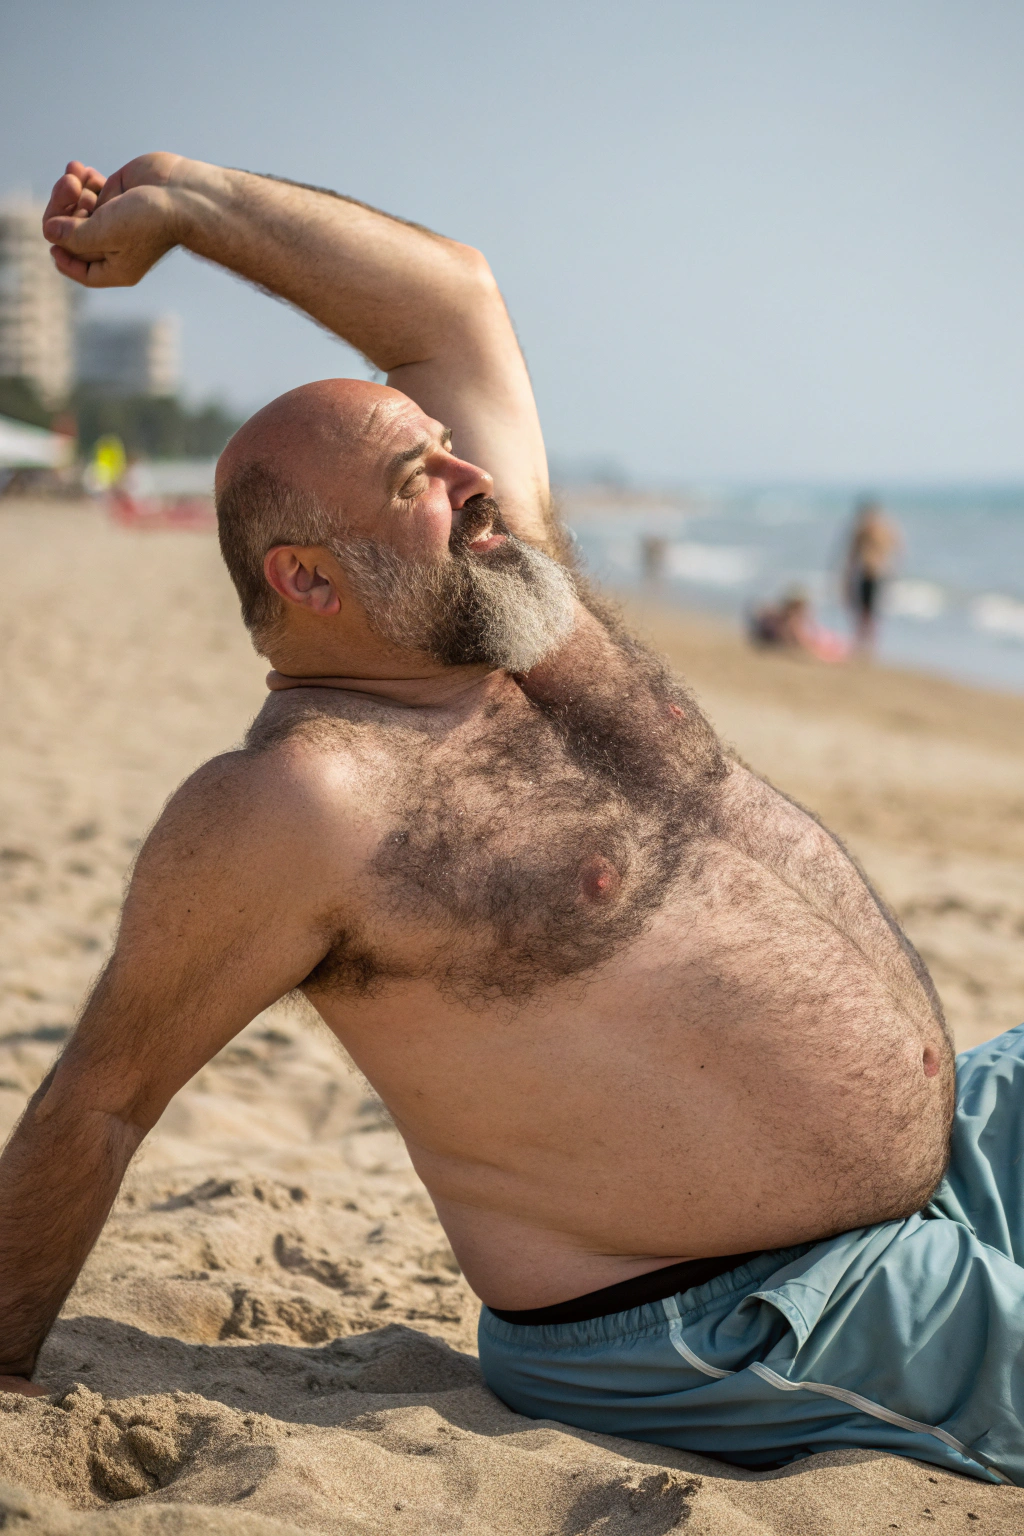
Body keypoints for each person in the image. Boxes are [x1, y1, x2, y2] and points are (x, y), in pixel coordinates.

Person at [1, 153, 1021, 1488]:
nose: (473, 475)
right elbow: (104, 1099)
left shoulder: (530, 617)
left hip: (931, 1168)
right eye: (419, 474)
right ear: (308, 576)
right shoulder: (305, 801)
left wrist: (190, 205)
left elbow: (452, 306)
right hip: (737, 1316)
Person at [844, 498, 901, 653]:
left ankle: (864, 645)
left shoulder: (865, 529)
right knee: (869, 612)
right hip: (878, 573)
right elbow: (898, 548)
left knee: (866, 612)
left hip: (870, 573)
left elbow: (852, 555)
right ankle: (867, 645)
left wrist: (847, 577)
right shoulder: (886, 528)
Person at [749, 588, 849, 663]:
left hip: (766, 636)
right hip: (771, 640)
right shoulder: (791, 621)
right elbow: (801, 642)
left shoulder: (783, 617)